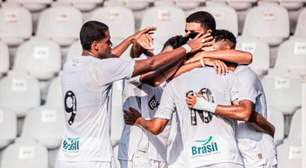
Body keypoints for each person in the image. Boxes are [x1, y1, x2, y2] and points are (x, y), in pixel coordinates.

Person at [56, 20, 208, 168]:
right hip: (92, 157)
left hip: (68, 154)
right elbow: (151, 64)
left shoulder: (71, 65)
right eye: (108, 42)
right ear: (95, 46)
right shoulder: (101, 69)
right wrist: (188, 48)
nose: (111, 46)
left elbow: (108, 60)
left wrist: (131, 39)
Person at [185, 30, 277, 168]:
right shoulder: (220, 77)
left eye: (212, 48)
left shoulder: (244, 75)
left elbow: (244, 113)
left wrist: (206, 105)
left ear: (227, 49)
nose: (207, 52)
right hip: (234, 155)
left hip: (257, 154)